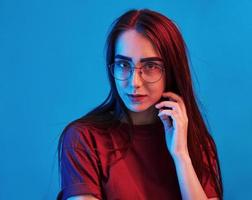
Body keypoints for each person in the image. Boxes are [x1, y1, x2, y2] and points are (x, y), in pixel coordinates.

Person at [56, 9, 223, 200]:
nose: (134, 82)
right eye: (123, 65)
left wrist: (181, 156)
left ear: (172, 71)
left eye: (150, 66)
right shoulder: (83, 139)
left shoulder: (194, 142)